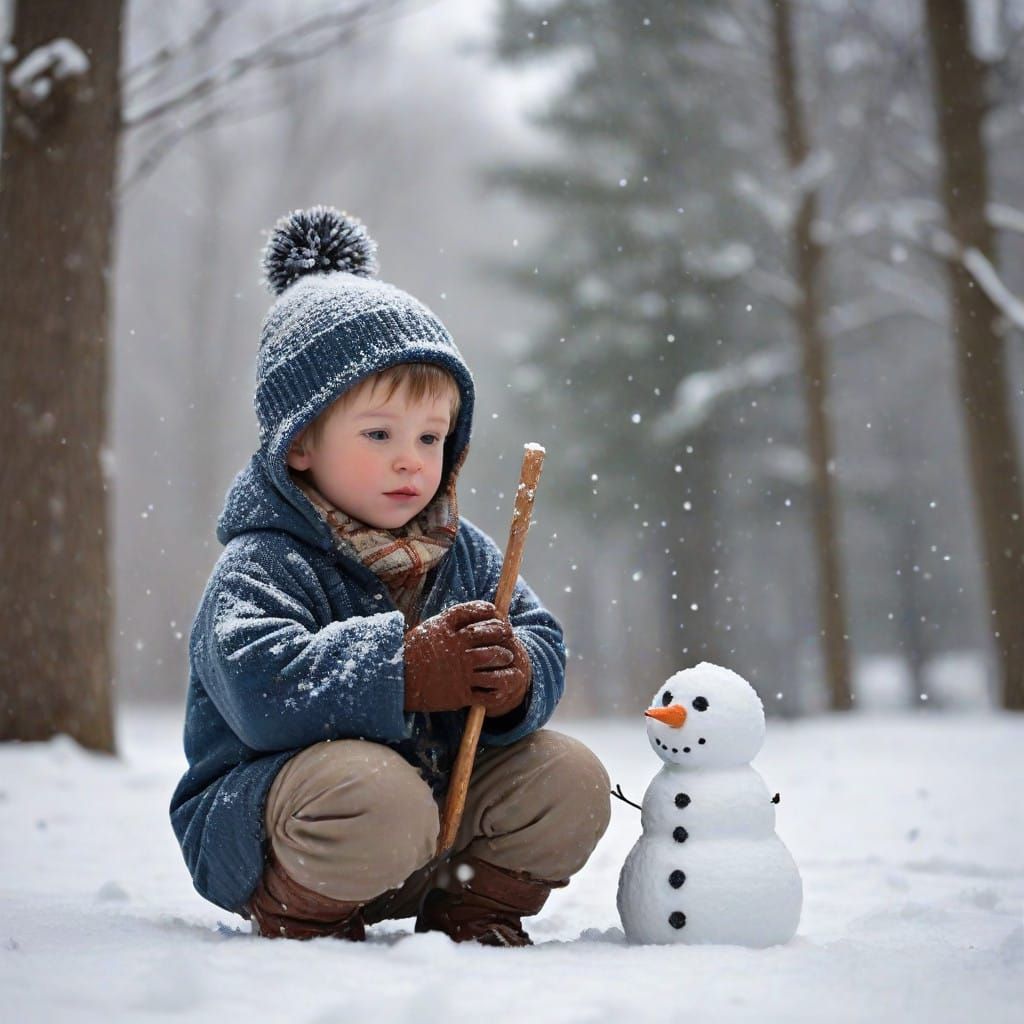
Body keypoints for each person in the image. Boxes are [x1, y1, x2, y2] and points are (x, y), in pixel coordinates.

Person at [170, 206, 611, 946]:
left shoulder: (462, 552)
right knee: (376, 794)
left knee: (569, 776)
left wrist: (517, 676)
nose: (412, 459)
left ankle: (471, 905)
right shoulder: (266, 559)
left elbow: (540, 634)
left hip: (435, 820)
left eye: (431, 437)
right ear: (300, 442)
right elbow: (261, 689)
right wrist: (404, 670)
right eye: (379, 434)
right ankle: (302, 908)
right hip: (297, 831)